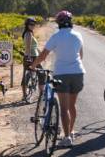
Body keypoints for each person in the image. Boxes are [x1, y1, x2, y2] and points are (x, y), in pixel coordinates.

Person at [30, 10, 86, 147]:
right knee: (72, 105)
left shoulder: (56, 36)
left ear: (59, 23)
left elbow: (43, 55)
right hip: (78, 73)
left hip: (62, 74)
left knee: (64, 107)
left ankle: (67, 138)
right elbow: (81, 55)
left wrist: (33, 65)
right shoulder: (78, 35)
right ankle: (71, 131)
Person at [21, 17, 45, 102]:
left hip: (32, 56)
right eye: (31, 24)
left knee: (26, 74)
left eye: (34, 24)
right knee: (42, 74)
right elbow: (28, 47)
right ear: (27, 25)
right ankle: (41, 94)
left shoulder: (29, 33)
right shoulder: (29, 34)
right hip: (32, 57)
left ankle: (24, 96)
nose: (33, 26)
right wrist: (29, 57)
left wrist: (41, 54)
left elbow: (34, 47)